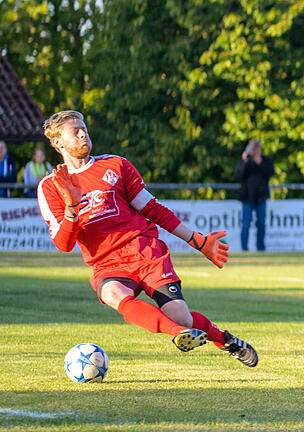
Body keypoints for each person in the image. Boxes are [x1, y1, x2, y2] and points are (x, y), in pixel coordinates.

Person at [37, 110, 258, 367]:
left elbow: (153, 209)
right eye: (74, 131)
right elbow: (63, 245)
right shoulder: (50, 186)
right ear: (58, 143)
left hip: (144, 251)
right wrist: (72, 209)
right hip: (107, 263)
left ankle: (226, 340)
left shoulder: (116, 165)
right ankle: (177, 334)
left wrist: (197, 241)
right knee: (112, 293)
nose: (83, 133)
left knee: (183, 318)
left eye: (83, 128)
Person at [235, 138, 274, 251]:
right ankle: (244, 249)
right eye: (253, 149)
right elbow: (238, 175)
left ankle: (260, 248)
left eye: (257, 149)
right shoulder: (245, 161)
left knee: (261, 224)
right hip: (247, 198)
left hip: (261, 198)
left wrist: (260, 163)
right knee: (245, 224)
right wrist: (244, 161)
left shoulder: (265, 161)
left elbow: (270, 173)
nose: (255, 152)